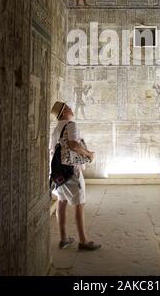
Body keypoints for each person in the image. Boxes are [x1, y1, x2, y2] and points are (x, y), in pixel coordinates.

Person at [50, 101, 101, 251]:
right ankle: (83, 241)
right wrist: (89, 154)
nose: (71, 108)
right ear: (64, 111)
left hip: (59, 172)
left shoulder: (56, 129)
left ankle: (64, 238)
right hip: (72, 171)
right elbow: (73, 144)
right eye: (68, 107)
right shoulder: (71, 125)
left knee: (62, 201)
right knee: (79, 204)